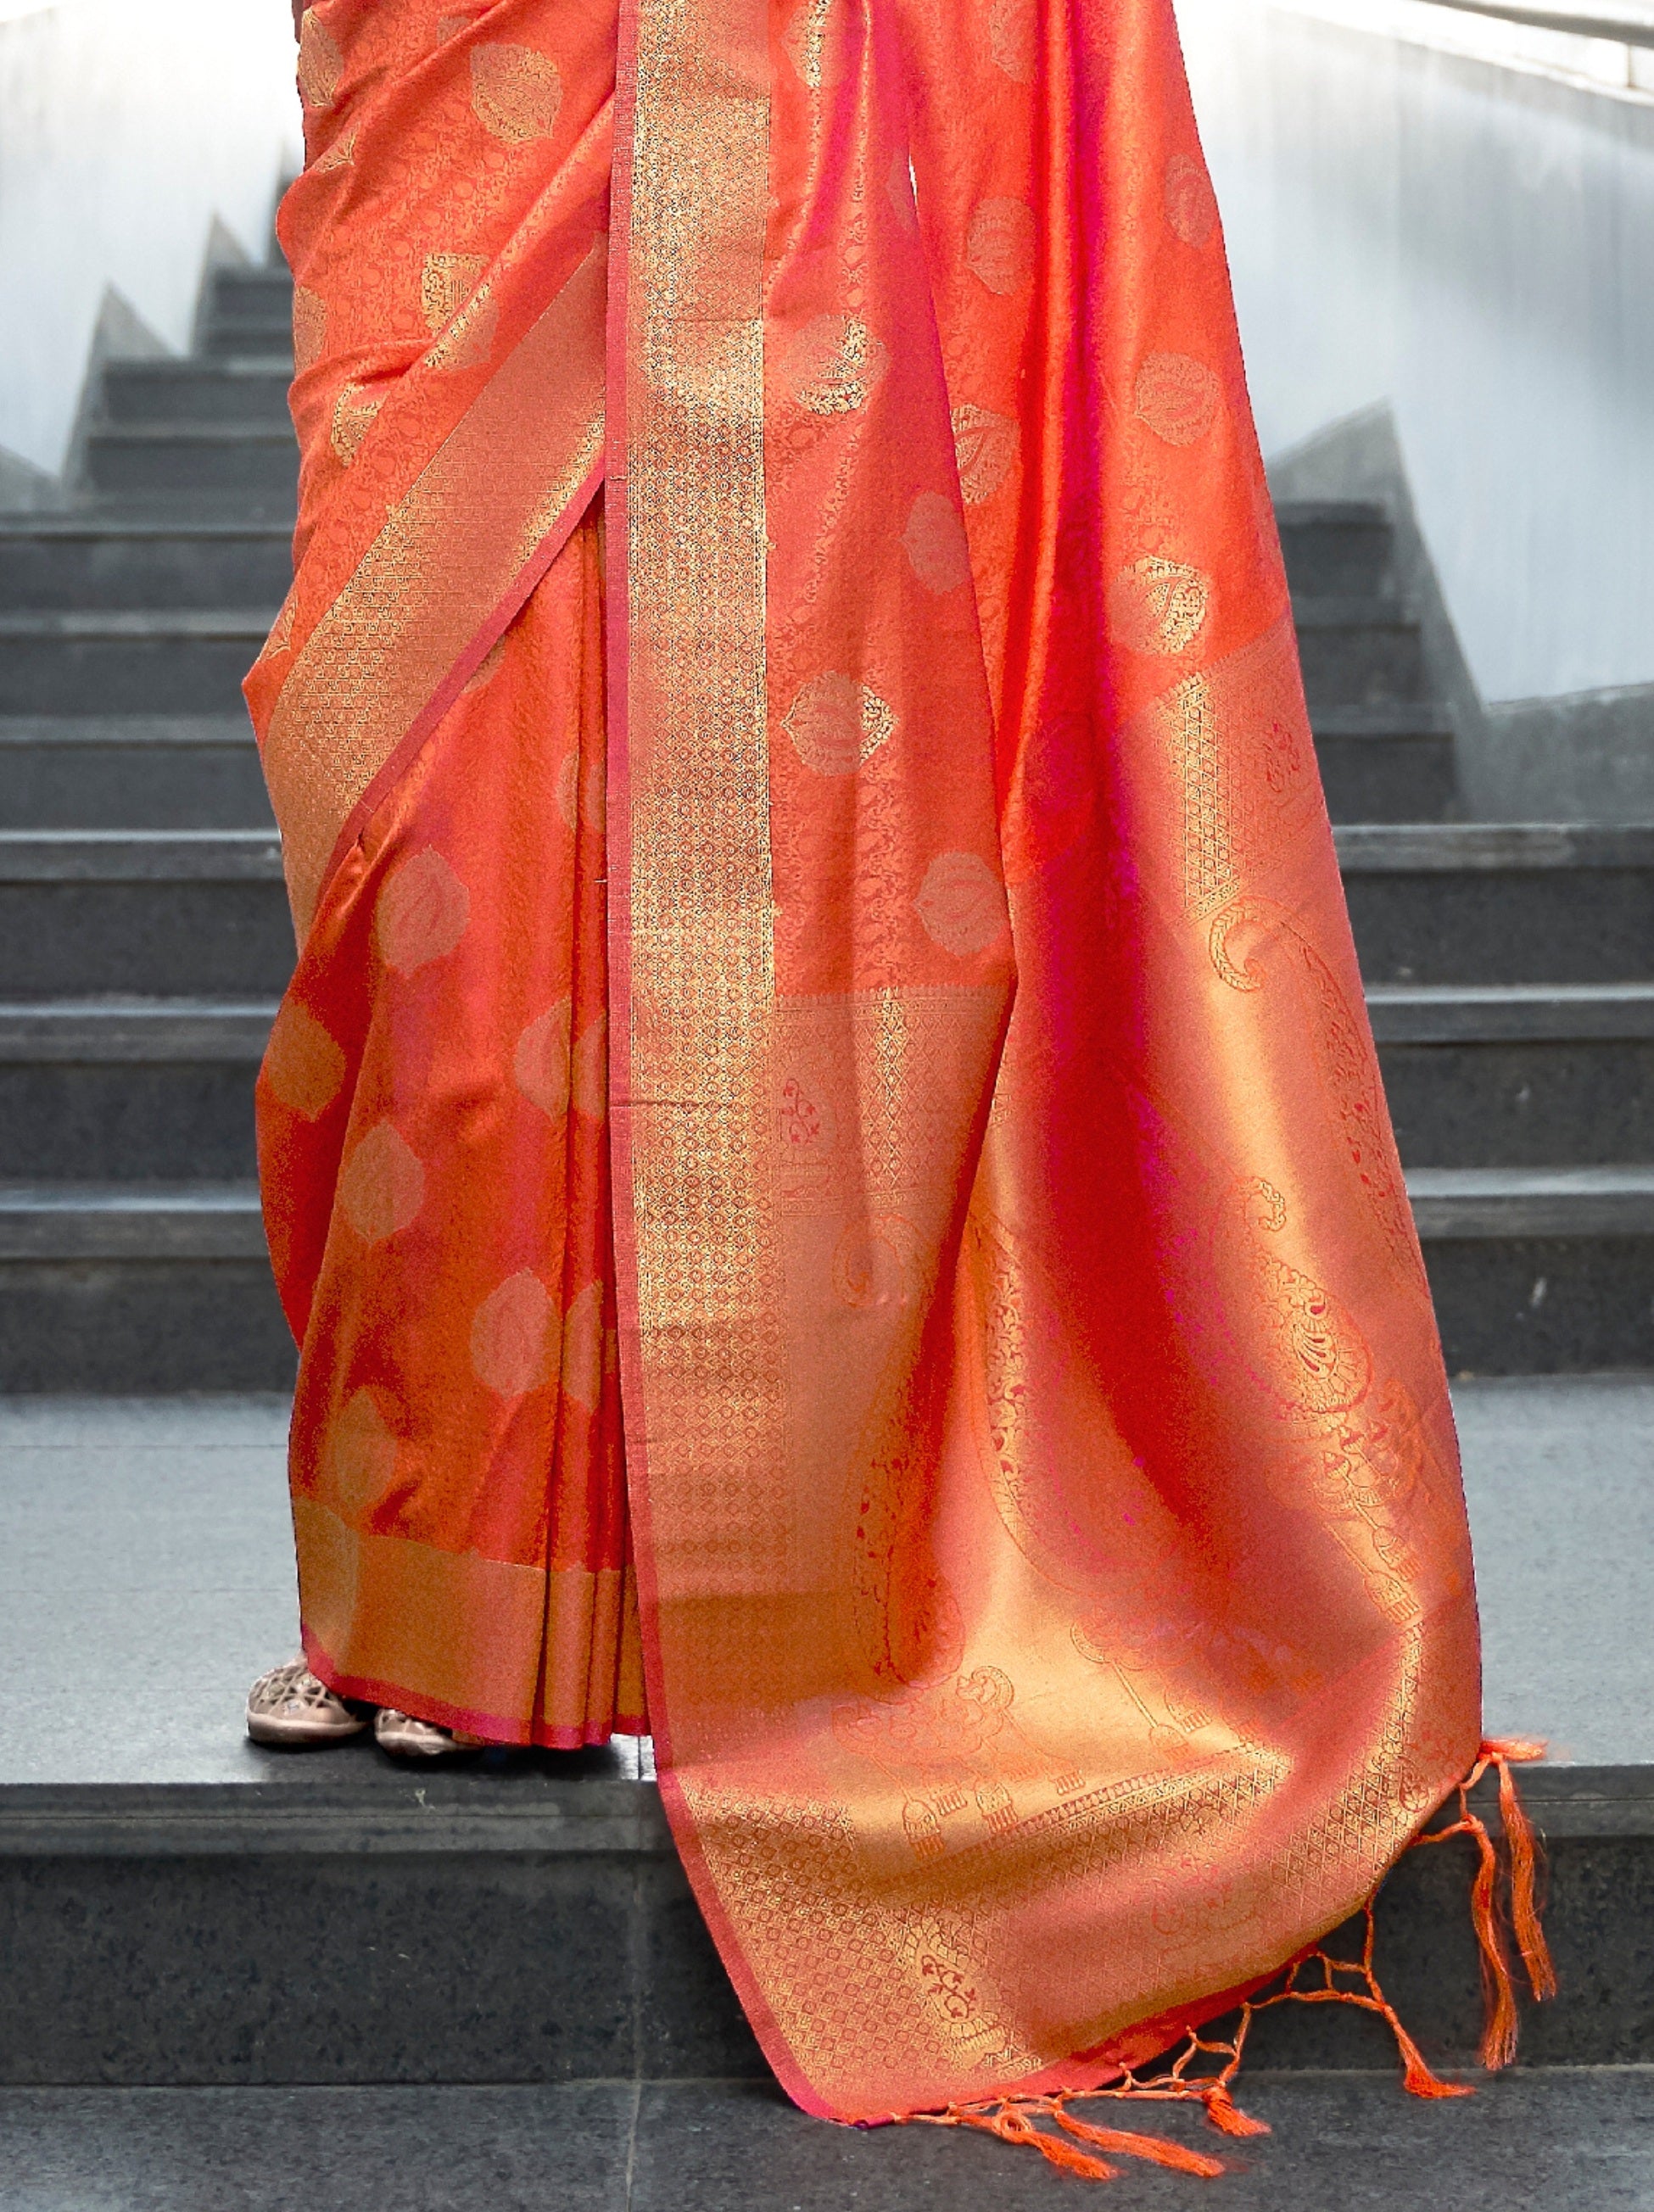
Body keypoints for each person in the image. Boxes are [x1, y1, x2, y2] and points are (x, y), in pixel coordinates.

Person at [245, 0, 1548, 2163]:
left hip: (708, 117)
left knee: (542, 859)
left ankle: (631, 1612)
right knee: (435, 873)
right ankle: (446, 1592)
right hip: (432, 134)